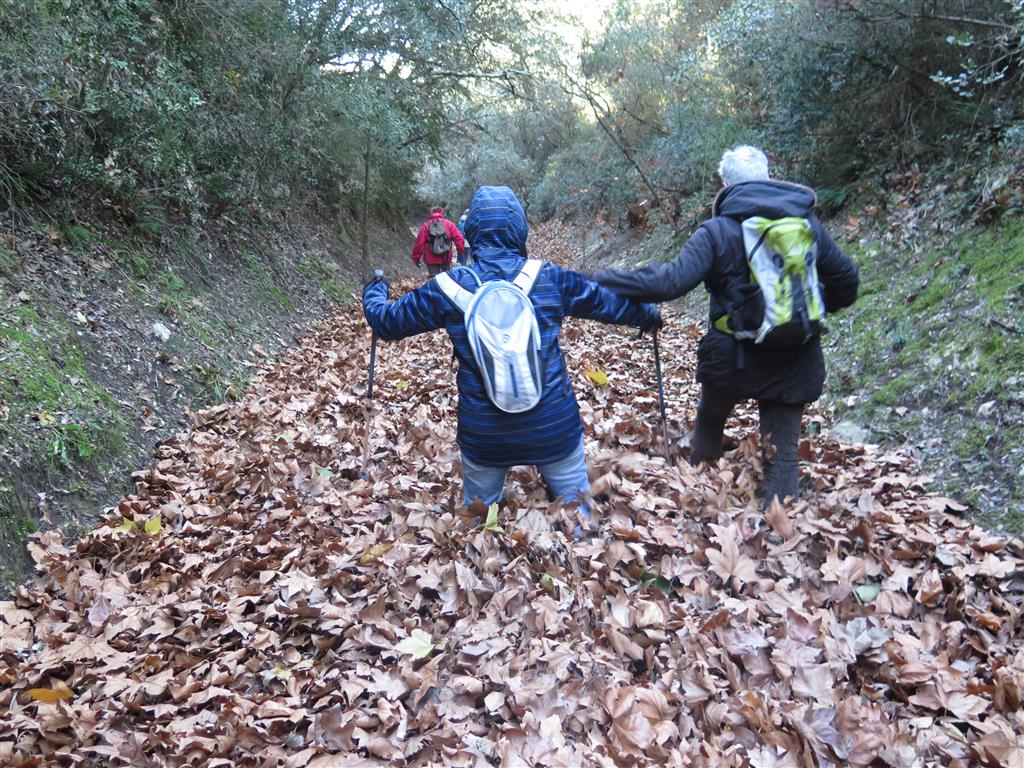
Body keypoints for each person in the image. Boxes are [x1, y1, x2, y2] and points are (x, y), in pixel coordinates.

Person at [365, 185, 661, 526]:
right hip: (554, 426)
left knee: (479, 522)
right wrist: (647, 315)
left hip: (484, 434)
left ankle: (483, 538)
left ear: (472, 231)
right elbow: (606, 302)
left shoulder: (447, 287)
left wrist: (375, 290)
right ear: (520, 229)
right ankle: (582, 539)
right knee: (580, 516)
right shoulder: (549, 277)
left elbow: (387, 322)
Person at [593, 146, 859, 504]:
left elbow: (670, 282)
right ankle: (782, 527)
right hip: (796, 355)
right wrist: (804, 314)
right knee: (782, 455)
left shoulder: (717, 231)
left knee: (710, 420)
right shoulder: (806, 224)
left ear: (723, 184)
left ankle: (698, 500)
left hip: (733, 359)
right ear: (768, 175)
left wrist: (596, 279)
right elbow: (847, 280)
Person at [412, 206, 465, 275]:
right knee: (446, 278)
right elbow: (459, 238)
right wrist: (460, 251)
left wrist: (416, 257)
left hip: (431, 259)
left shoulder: (426, 225)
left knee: (434, 279)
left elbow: (419, 243)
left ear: (431, 213)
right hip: (446, 258)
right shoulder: (449, 224)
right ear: (441, 213)